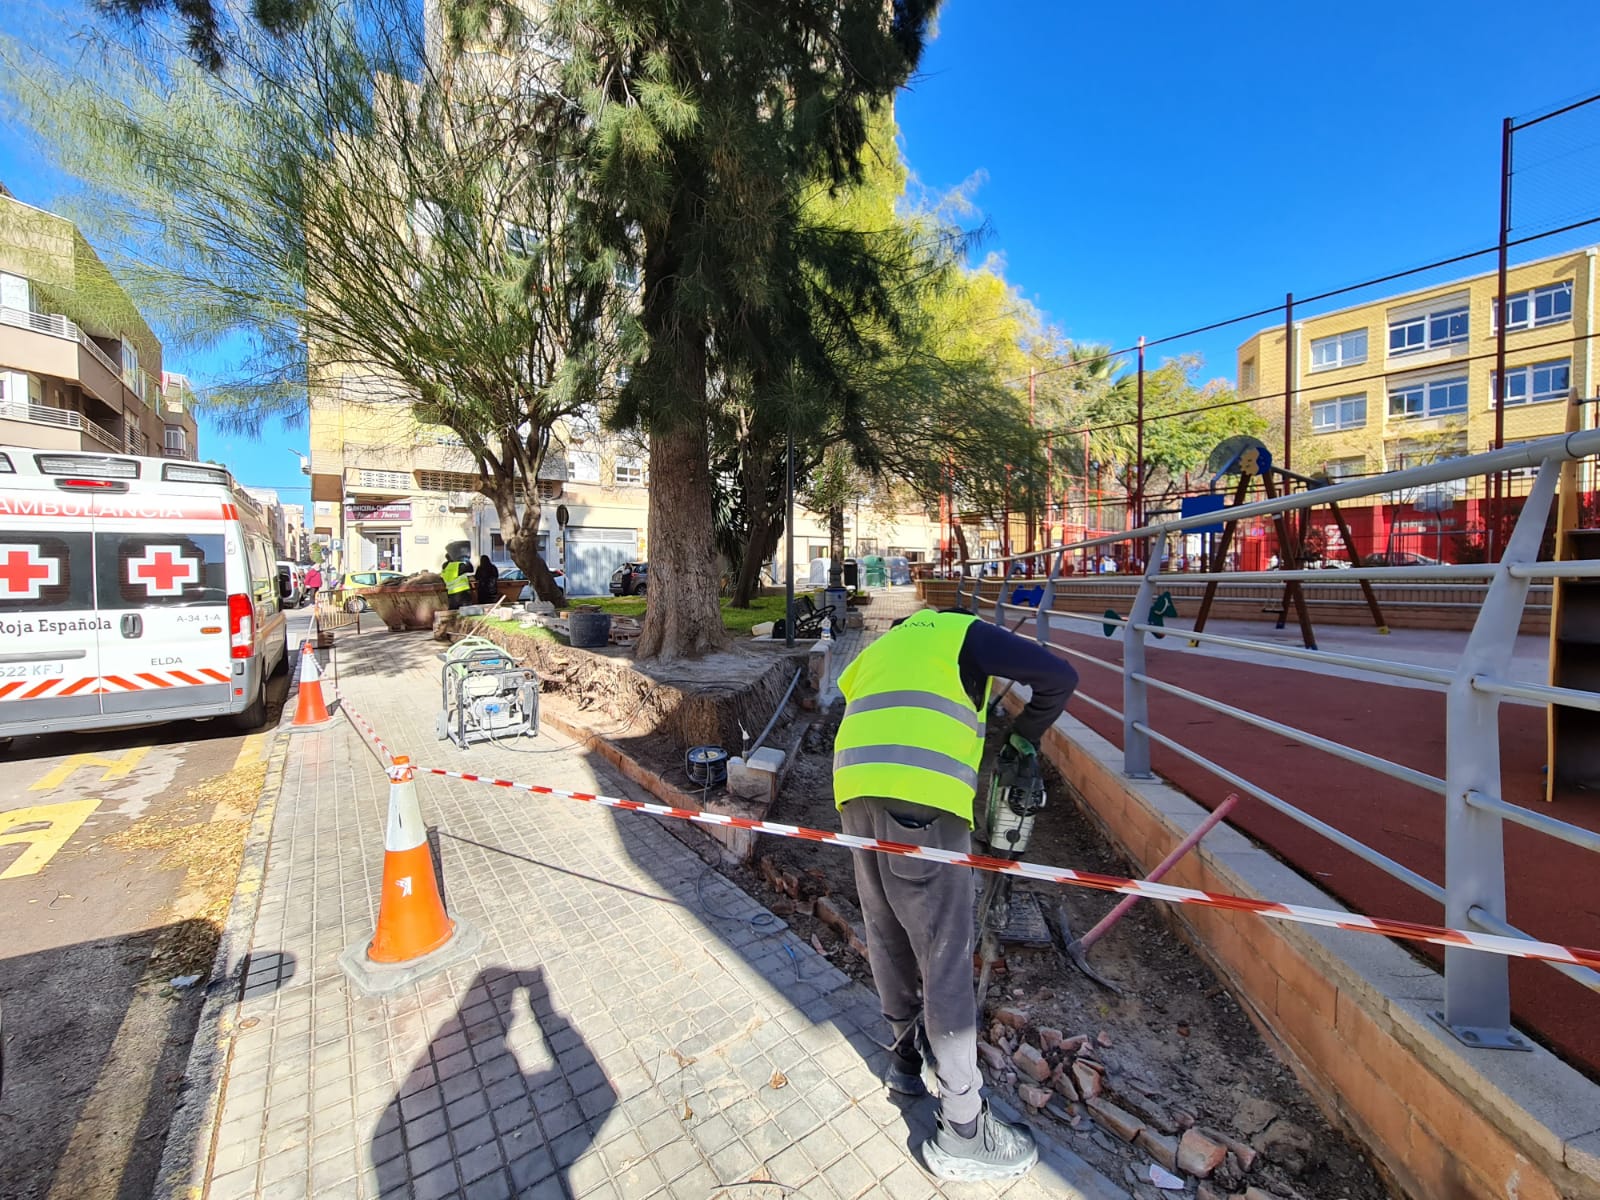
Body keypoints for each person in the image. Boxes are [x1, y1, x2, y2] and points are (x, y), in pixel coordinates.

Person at [833, 608, 1077, 1182]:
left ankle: (904, 1063)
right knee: (943, 952)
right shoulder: (964, 633)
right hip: (922, 801)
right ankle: (964, 1131)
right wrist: (1021, 734)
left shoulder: (883, 647)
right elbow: (1060, 678)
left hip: (853, 788)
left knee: (885, 929)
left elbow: (854, 697)